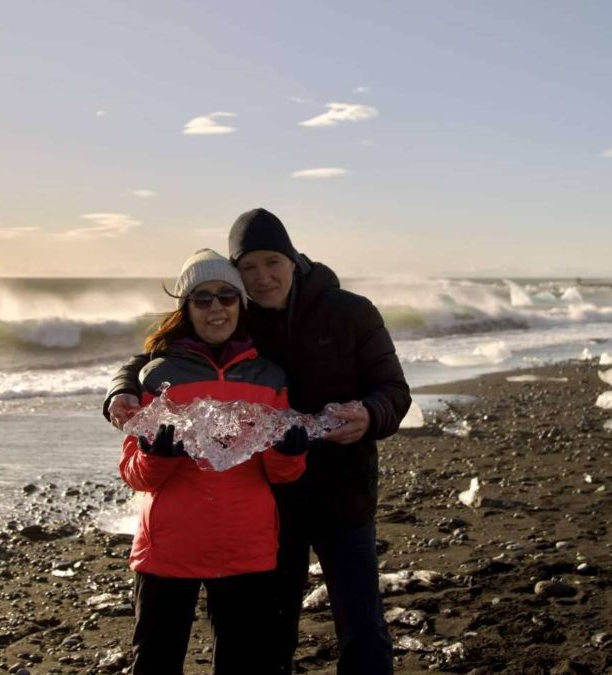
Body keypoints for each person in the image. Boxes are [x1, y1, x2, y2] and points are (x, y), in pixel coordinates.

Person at [107, 210, 412, 675]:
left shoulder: (350, 311)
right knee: (271, 634)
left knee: (362, 625)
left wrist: (372, 416)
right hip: (273, 502)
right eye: (248, 268)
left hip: (341, 491)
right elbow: (161, 357)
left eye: (272, 262)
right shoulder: (239, 320)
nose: (263, 277)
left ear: (293, 259)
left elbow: (394, 391)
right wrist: (121, 388)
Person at [118, 248, 309, 675]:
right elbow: (133, 473)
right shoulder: (157, 376)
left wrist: (288, 452)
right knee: (155, 663)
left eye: (227, 296)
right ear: (186, 308)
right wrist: (156, 456)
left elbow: (281, 474)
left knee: (242, 666)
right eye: (202, 298)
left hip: (246, 546)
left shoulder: (270, 377)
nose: (216, 308)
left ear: (242, 304)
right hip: (169, 547)